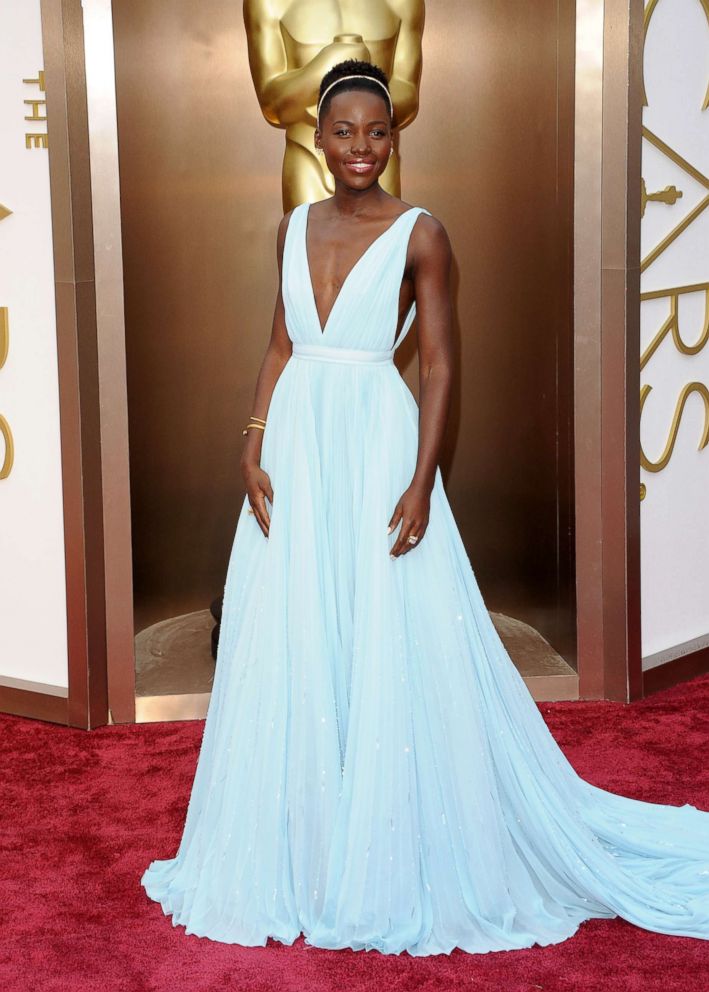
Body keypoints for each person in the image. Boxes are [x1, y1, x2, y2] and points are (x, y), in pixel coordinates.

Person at [141, 60, 709, 956]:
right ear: (316, 139)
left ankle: (382, 841)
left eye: (378, 132)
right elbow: (281, 344)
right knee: (296, 631)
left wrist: (421, 476)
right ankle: (305, 839)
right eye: (344, 132)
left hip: (375, 446)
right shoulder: (291, 227)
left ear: (393, 140)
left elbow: (441, 364)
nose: (361, 147)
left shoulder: (423, 235)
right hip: (297, 447)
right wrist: (252, 437)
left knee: (385, 629)